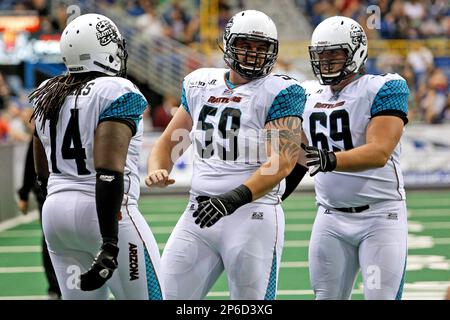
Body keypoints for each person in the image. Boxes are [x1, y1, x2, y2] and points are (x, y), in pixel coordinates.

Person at [146, 10, 307, 299]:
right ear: (229, 44)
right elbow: (170, 141)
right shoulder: (200, 84)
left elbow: (281, 162)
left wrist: (232, 199)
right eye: (246, 45)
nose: (254, 54)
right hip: (199, 211)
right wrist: (158, 168)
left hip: (251, 214)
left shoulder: (280, 90)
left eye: (262, 48)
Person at [30, 13, 164, 300]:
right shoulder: (116, 90)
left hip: (56, 214)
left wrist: (51, 197)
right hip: (104, 213)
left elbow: (40, 161)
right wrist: (110, 240)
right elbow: (108, 170)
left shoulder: (47, 92)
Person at [300, 16, 409, 300]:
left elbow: (379, 151)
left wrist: (330, 160)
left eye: (335, 53)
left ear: (356, 52)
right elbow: (294, 153)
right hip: (330, 216)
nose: (326, 61)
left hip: (379, 216)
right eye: (321, 54)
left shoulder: (383, 87)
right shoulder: (308, 93)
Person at [17, 137, 61, 299]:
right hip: (53, 188)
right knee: (50, 237)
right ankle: (56, 287)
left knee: (52, 236)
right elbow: (33, 157)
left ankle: (58, 287)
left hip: (54, 187)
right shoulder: (45, 118)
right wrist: (24, 192)